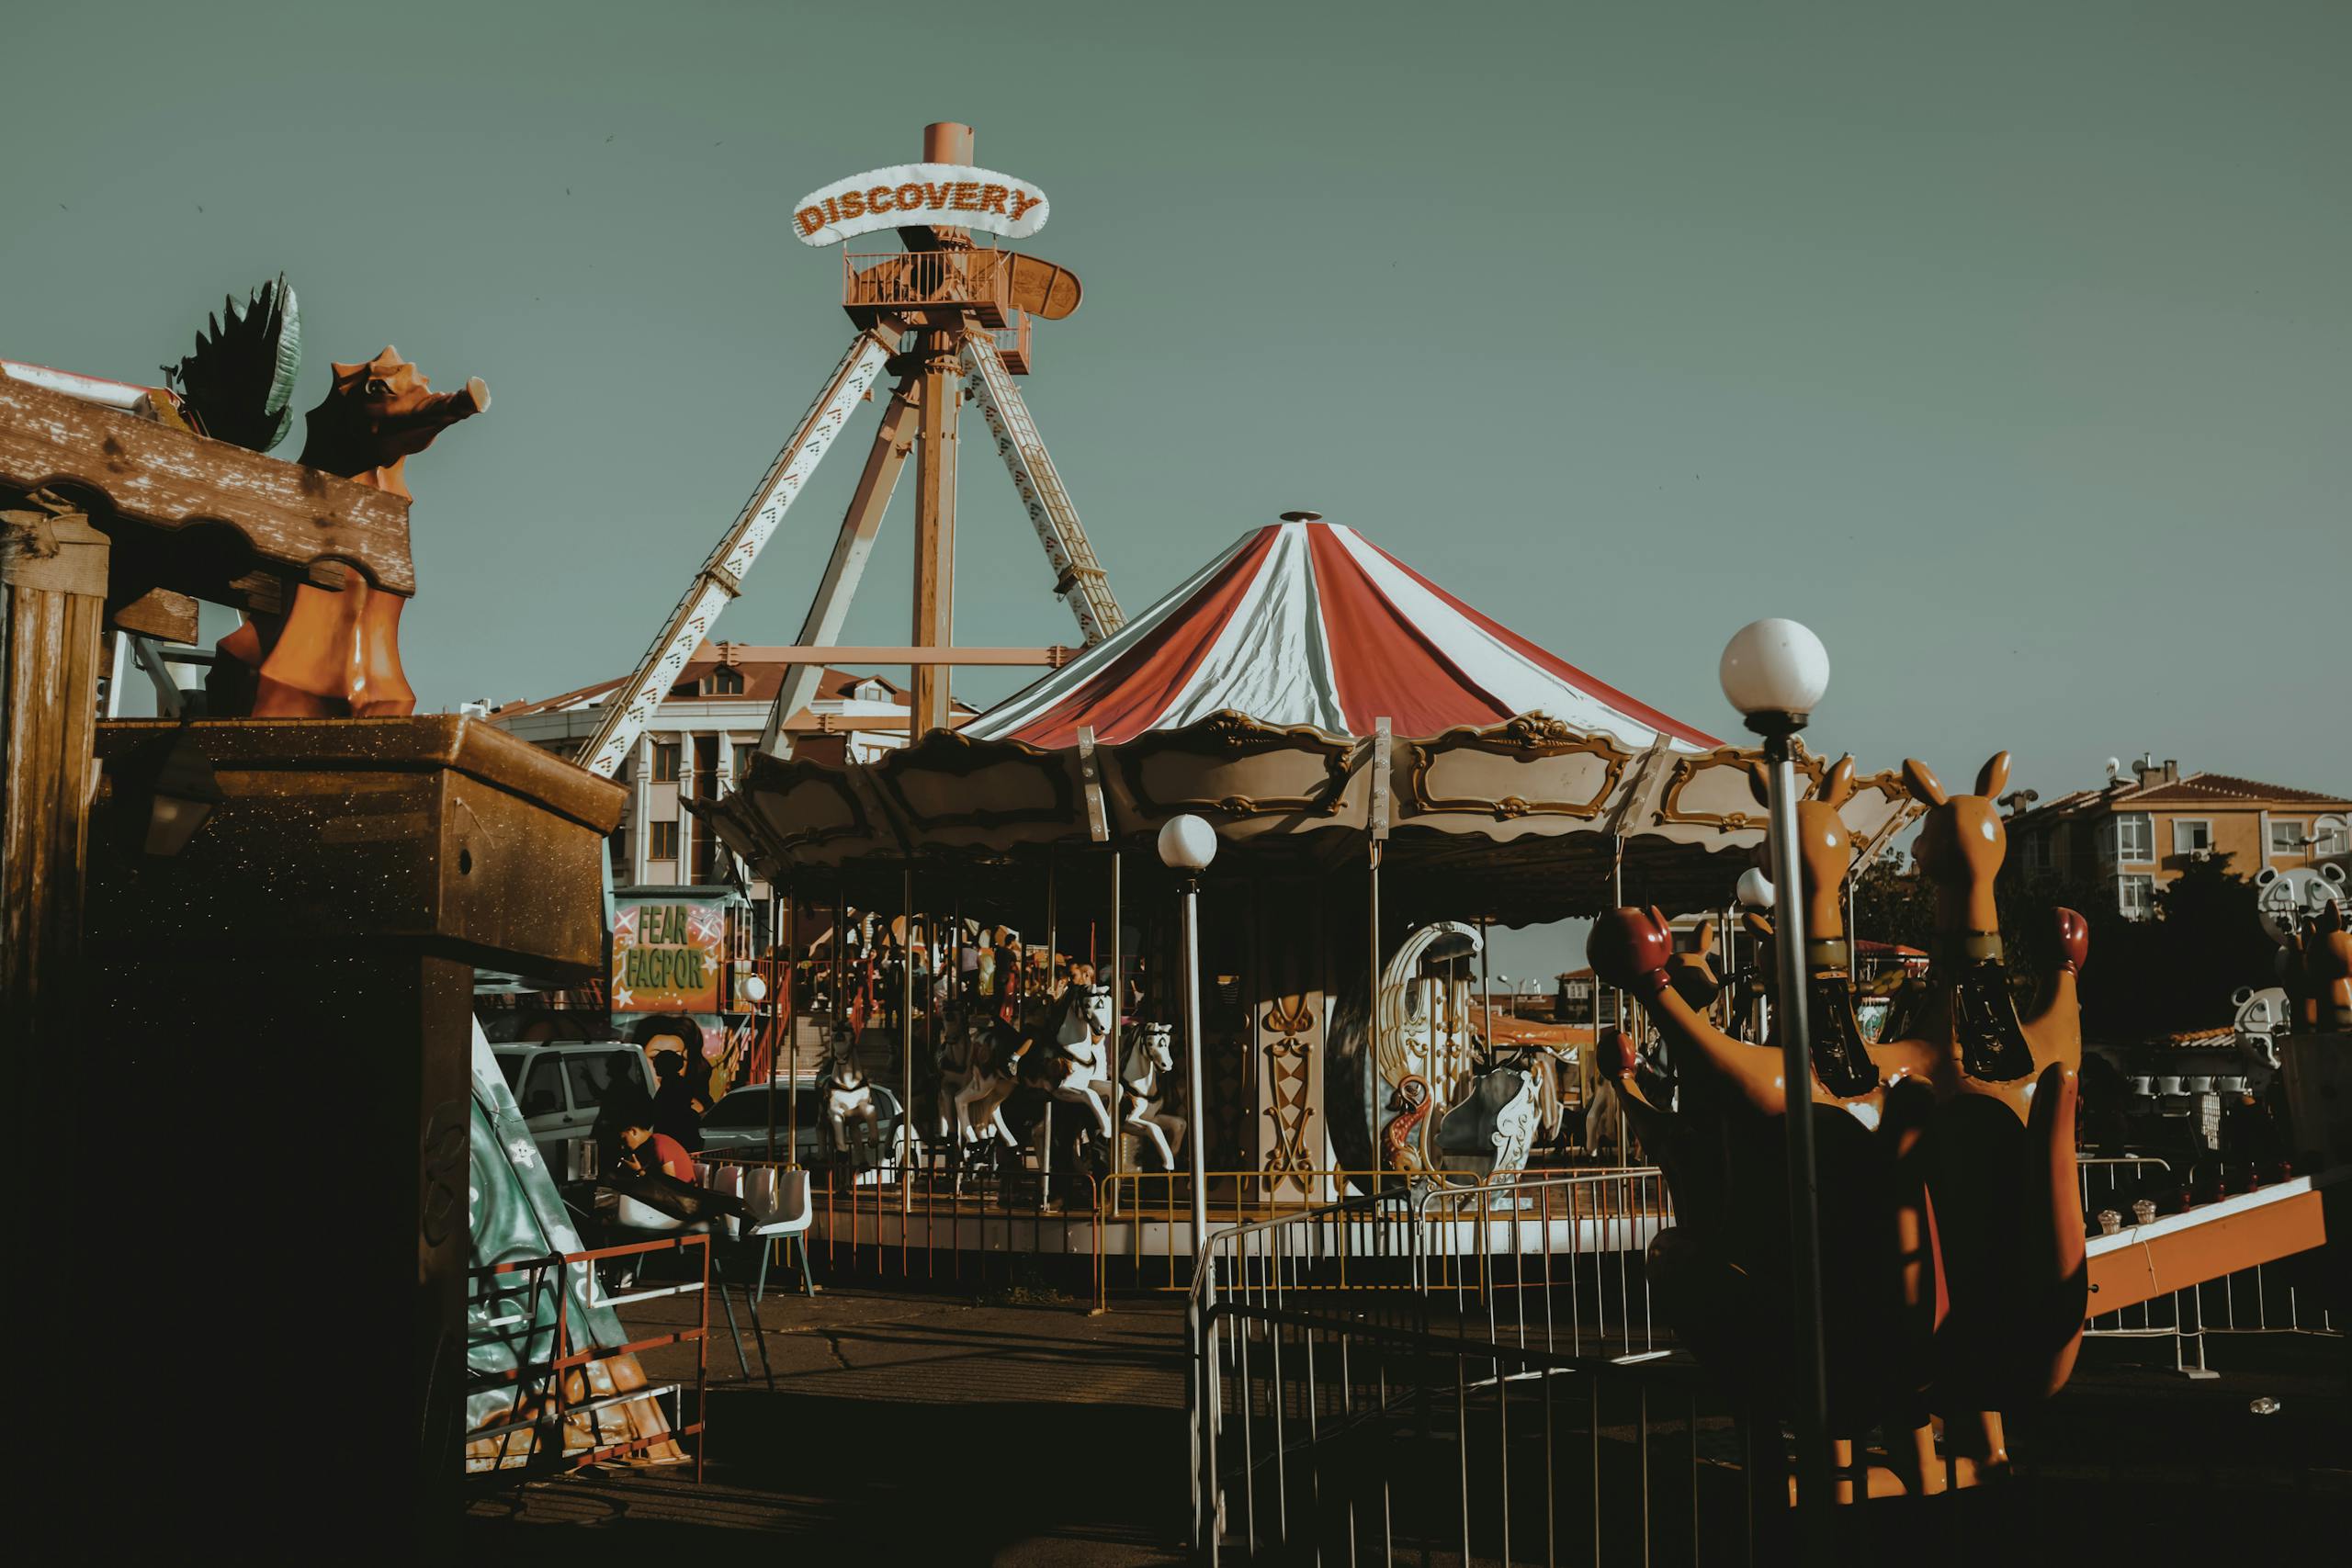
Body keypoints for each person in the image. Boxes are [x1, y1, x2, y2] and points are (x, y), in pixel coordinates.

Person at [652, 1046, 708, 1153]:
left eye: (658, 1064)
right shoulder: (678, 1083)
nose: (655, 1067)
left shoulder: (671, 1086)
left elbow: (666, 1112)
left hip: (674, 1136)